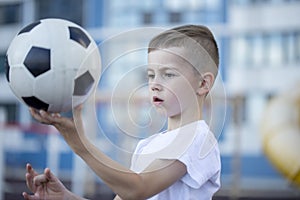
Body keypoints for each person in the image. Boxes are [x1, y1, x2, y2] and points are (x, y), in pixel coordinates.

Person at [23, 24, 221, 200]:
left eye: (168, 74)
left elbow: (138, 189)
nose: (154, 85)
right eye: (151, 75)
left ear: (203, 83)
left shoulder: (198, 139)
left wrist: (80, 143)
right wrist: (66, 198)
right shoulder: (148, 145)